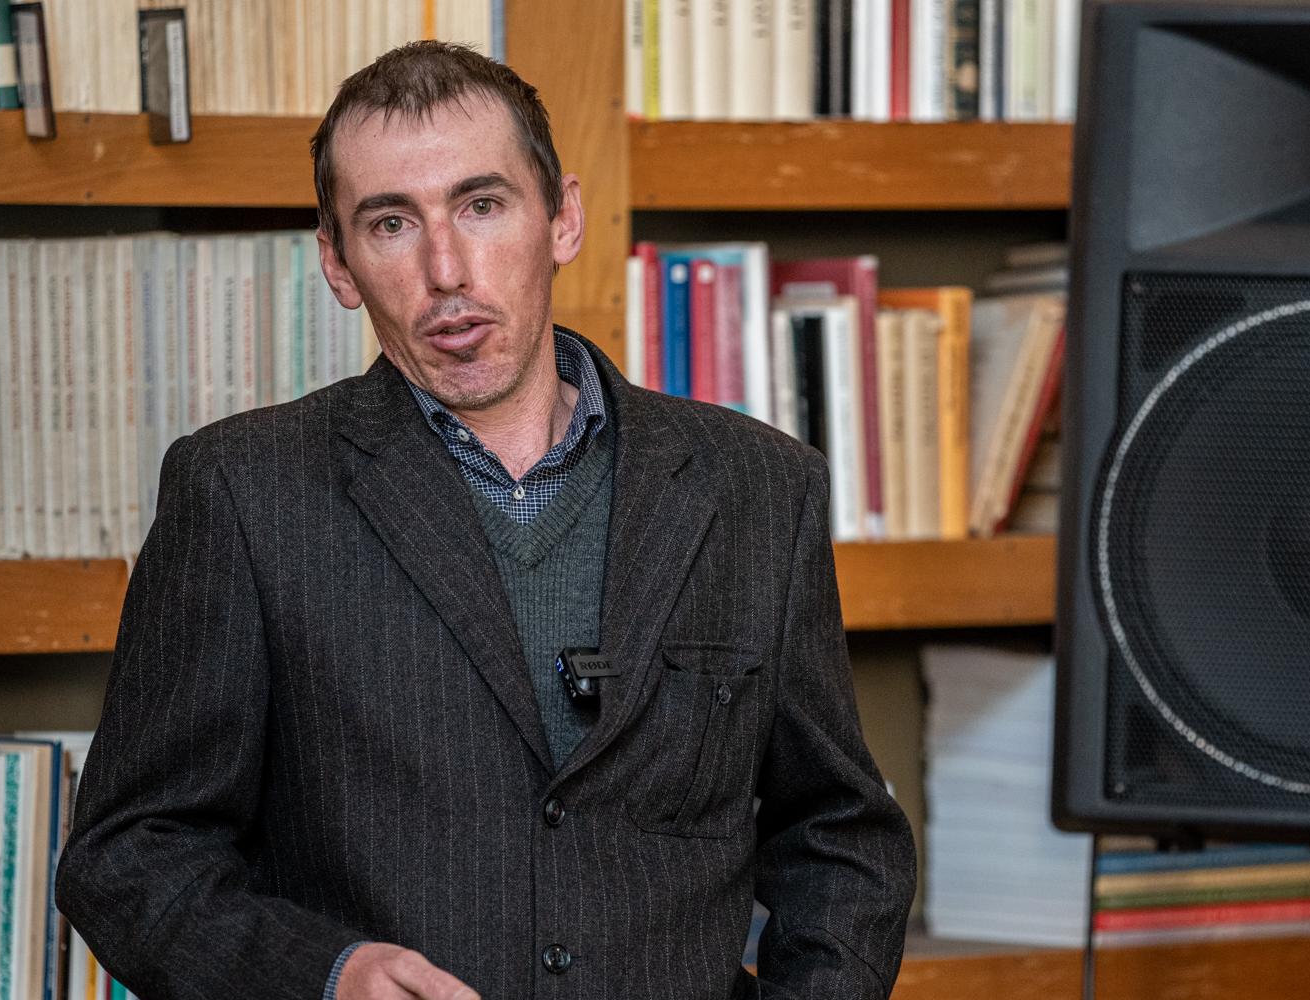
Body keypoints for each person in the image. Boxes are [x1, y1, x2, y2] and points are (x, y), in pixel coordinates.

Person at [54, 40, 918, 1000]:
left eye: (482, 205)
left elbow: (840, 836)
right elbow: (128, 856)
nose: (446, 270)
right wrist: (326, 977)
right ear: (338, 264)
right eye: (391, 223)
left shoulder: (760, 486)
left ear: (563, 218)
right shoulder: (240, 492)